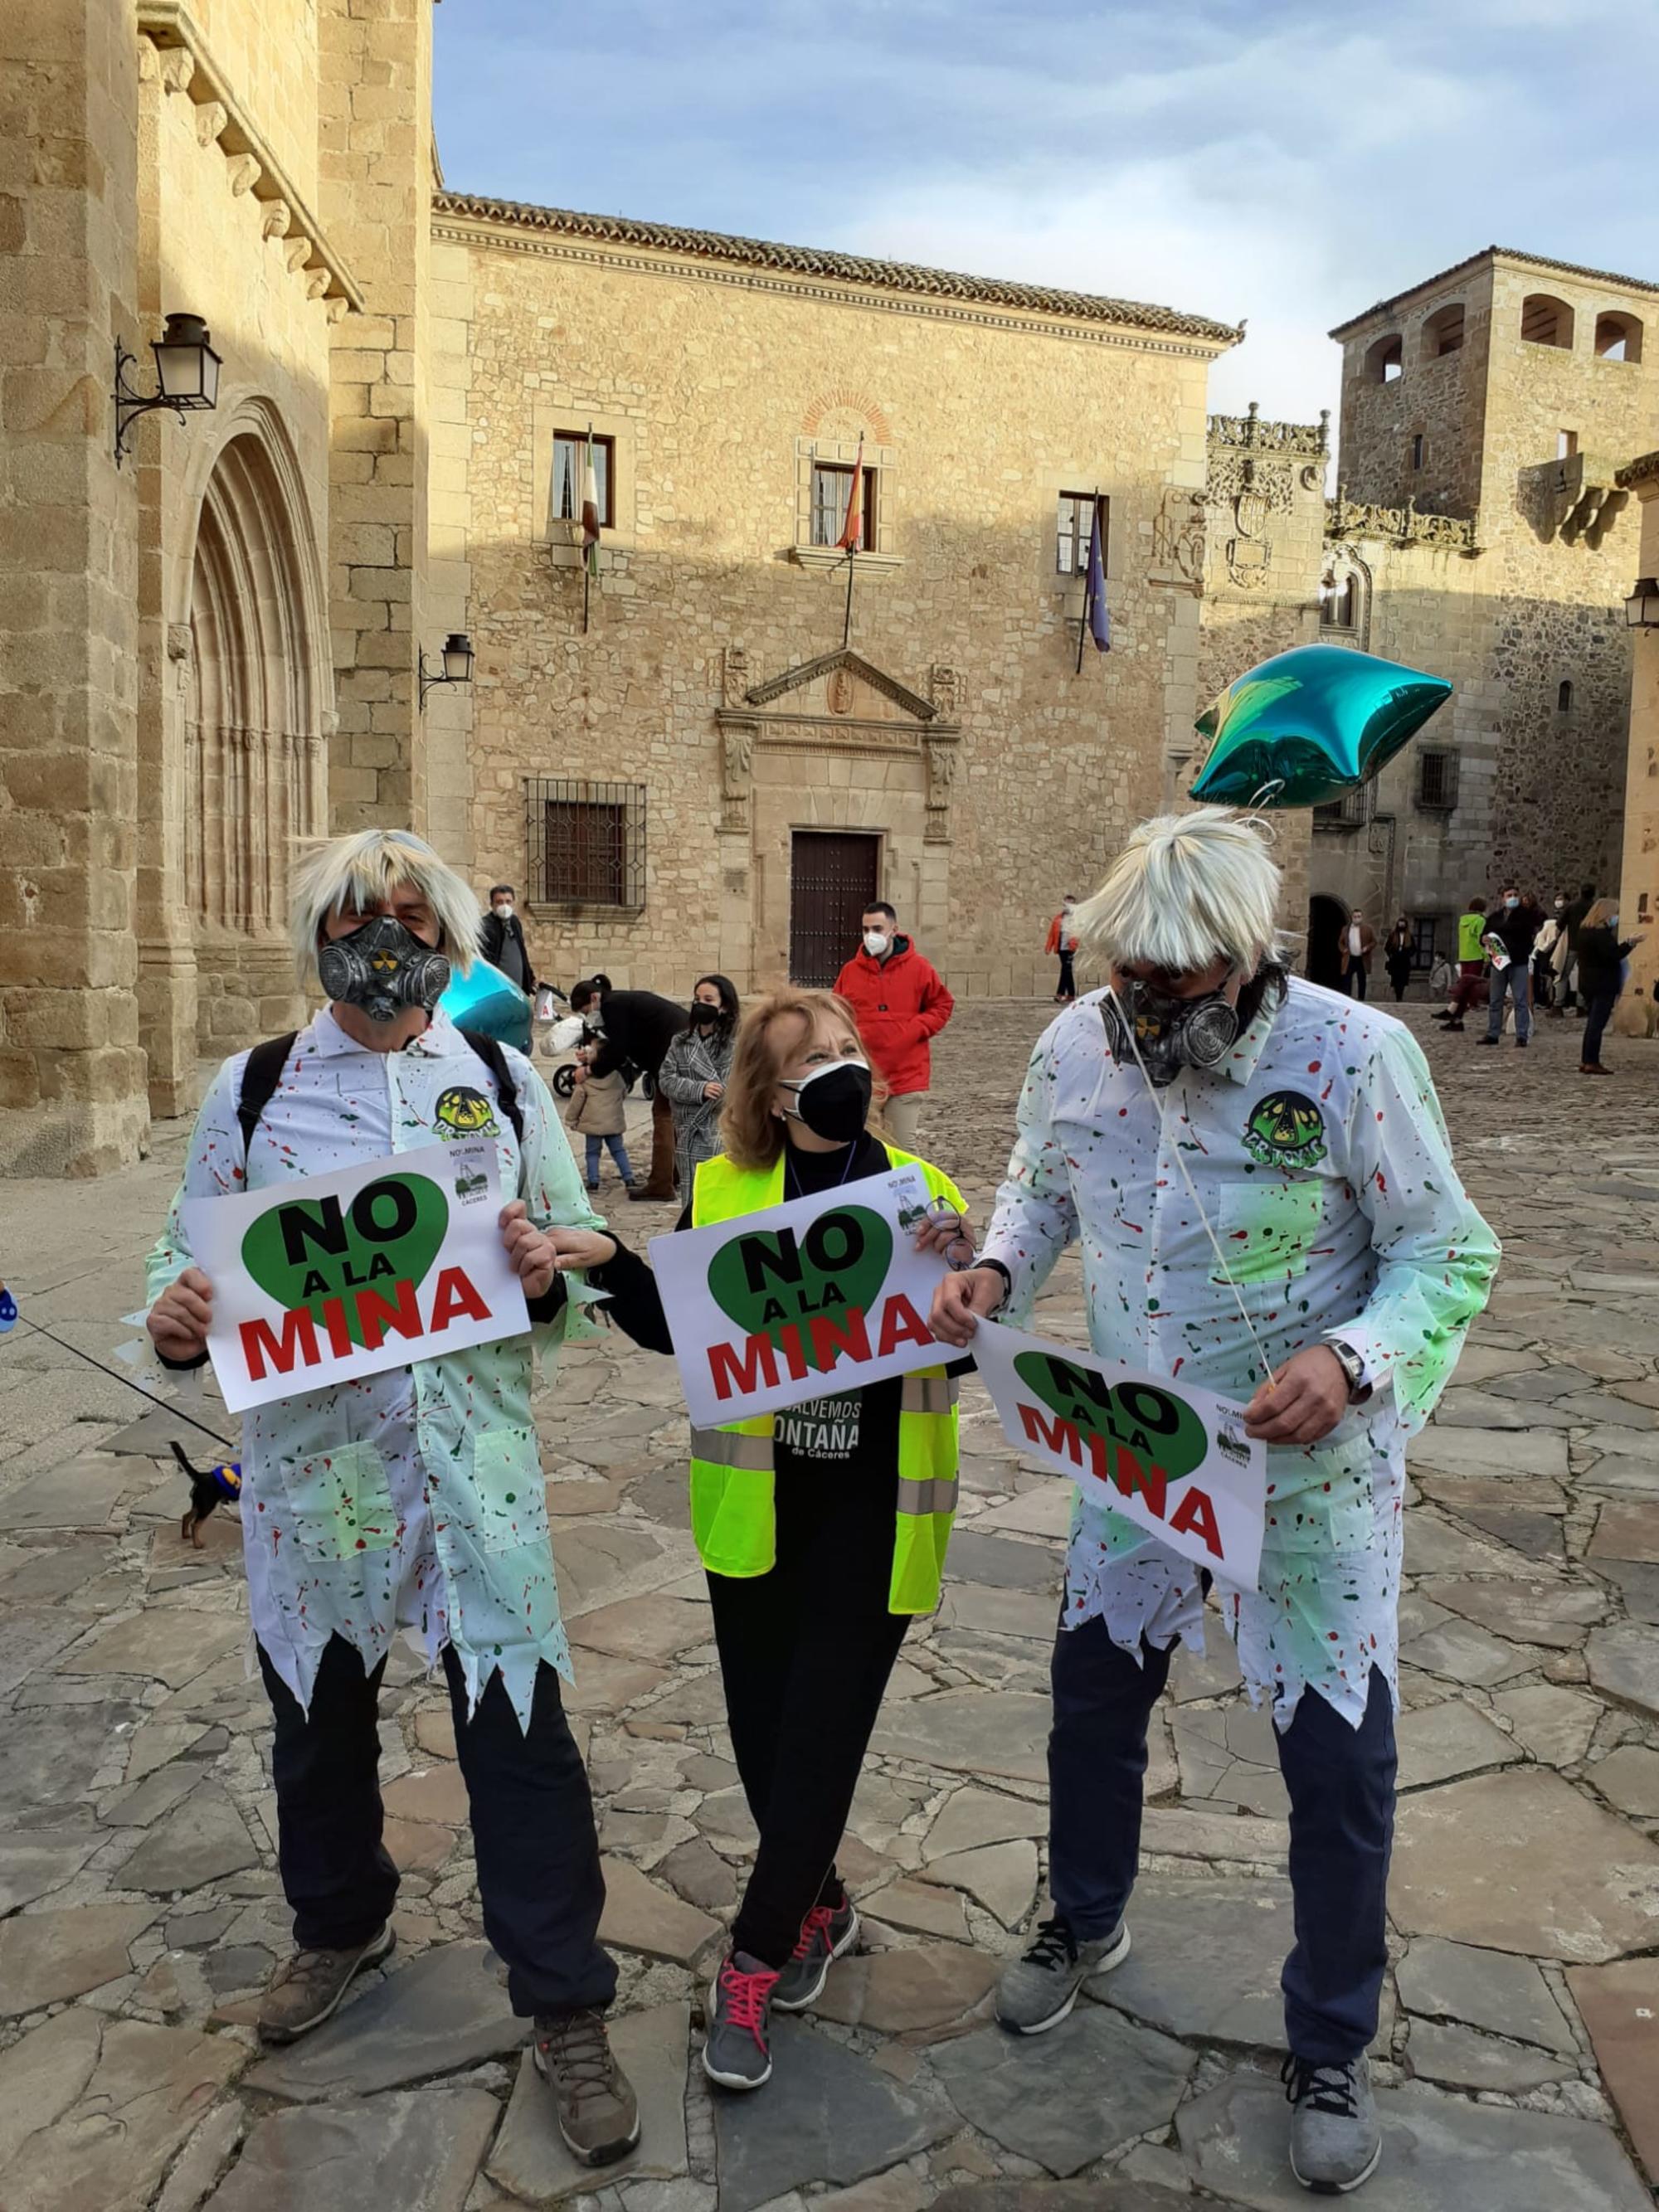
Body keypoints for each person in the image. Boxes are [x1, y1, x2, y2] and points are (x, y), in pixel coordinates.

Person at [931, 808, 1497, 2198]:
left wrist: (1354, 1357)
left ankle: (1330, 2037)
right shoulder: (1075, 1045)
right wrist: (1000, 1268)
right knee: (1091, 1699)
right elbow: (1036, 1180)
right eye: (1132, 973)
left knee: (1336, 1763)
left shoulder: (1360, 1057)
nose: (1150, 1002)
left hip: (1311, 1469)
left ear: (1247, 956)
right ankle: (1086, 1914)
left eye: (1181, 981)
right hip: (1141, 1448)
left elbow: (1446, 1248)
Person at [143, 829, 639, 2167]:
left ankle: (564, 1997)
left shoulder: (500, 1076)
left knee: (520, 1735)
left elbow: (567, 1262)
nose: (388, 936)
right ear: (318, 929)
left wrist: (546, 1271)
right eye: (362, 914)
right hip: (323, 1480)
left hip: (473, 1468)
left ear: (451, 936)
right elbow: (177, 1275)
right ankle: (340, 1923)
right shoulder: (250, 1094)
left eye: (414, 915)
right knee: (319, 1720)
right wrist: (180, 1320)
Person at [540, 989, 972, 2096]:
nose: (839, 1070)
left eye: (846, 1051)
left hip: (874, 1518)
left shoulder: (923, 1195)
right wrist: (605, 1259)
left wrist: (962, 1297)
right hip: (758, 1516)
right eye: (809, 1060)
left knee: (820, 1741)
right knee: (764, 1746)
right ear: (767, 1095)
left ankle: (755, 1956)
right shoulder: (724, 1187)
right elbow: (679, 1322)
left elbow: (965, 1346)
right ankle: (818, 1899)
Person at [834, 902, 955, 1154]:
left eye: (877, 928)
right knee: (866, 1147)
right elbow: (837, 1013)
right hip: (865, 1077)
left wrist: (916, 1028)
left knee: (903, 1148)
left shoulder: (919, 968)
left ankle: (914, 1193)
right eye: (866, 929)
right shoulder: (850, 971)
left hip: (907, 1076)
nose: (871, 936)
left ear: (894, 929)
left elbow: (942, 1005)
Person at [568, 977, 687, 1203]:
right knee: (674, 1117)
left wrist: (590, 1069)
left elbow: (619, 1050)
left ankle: (661, 1184)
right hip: (679, 1051)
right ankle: (675, 1174)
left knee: (663, 1117)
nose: (588, 1015)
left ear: (594, 998)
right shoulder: (621, 1002)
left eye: (586, 1010)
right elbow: (619, 1045)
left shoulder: (613, 1006)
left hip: (672, 1055)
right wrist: (594, 1053)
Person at [658, 974, 740, 1196]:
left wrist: (706, 1093)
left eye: (708, 1000)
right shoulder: (680, 1042)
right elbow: (666, 1080)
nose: (700, 1004)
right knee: (691, 1198)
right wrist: (699, 1090)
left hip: (717, 1134)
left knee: (715, 1197)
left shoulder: (735, 1046)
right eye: (697, 999)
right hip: (686, 1132)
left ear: (723, 1007)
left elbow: (727, 1090)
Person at [1576, 897, 1642, 1074]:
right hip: (1603, 983)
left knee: (1592, 1023)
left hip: (1588, 982)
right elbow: (1613, 955)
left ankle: (1587, 1059)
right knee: (1597, 1024)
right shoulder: (1601, 935)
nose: (1616, 917)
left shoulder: (1584, 932)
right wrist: (1630, 944)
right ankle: (1591, 1061)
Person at [563, 1052, 635, 1192]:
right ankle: (629, 1178)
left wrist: (571, 1120)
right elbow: (623, 1094)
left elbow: (576, 1102)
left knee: (592, 1153)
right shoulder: (617, 1077)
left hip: (593, 1125)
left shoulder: (585, 1081)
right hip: (613, 1123)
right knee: (619, 1151)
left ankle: (593, 1181)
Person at [1480, 886, 1538, 1048]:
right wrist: (1484, 939)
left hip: (1518, 962)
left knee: (1520, 1000)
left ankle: (1521, 1035)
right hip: (1499, 963)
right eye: (1509, 895)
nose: (1513, 897)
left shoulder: (1525, 916)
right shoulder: (1495, 918)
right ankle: (1493, 1033)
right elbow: (1485, 935)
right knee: (1495, 1000)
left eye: (1515, 895)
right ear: (1502, 898)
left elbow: (1524, 933)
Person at [479, 882, 536, 997]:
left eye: (508, 901)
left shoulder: (515, 922)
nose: (504, 906)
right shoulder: (486, 926)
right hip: (497, 991)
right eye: (499, 902)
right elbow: (484, 962)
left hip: (518, 989)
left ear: (513, 903)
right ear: (492, 904)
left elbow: (522, 953)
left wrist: (531, 979)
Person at [1555, 881, 1596, 1013]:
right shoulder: (1595, 907)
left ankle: (1558, 1004)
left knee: (1563, 974)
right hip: (1589, 946)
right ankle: (1581, 1005)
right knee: (1583, 976)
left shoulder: (1572, 906)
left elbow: (1559, 924)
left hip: (1572, 944)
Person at [1046, 897, 1080, 1004]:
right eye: (1066, 904)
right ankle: (1071, 994)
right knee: (1067, 970)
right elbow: (1052, 934)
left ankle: (1060, 993)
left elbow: (1079, 933)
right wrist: (1048, 947)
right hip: (1061, 948)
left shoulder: (1076, 919)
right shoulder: (1058, 919)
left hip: (1070, 948)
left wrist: (1076, 945)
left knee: (1065, 970)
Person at [1531, 902, 1563, 1011]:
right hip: (1545, 954)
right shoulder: (1551, 925)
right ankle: (1547, 1000)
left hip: (1541, 953)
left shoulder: (1548, 926)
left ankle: (1545, 1000)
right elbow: (1552, 940)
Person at [1341, 907, 1376, 999]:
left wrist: (1367, 948)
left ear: (1362, 917)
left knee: (1362, 979)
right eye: (1355, 916)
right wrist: (1343, 949)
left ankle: (1361, 998)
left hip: (1362, 958)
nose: (1357, 918)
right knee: (1347, 977)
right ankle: (1347, 997)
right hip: (1350, 957)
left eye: (1359, 916)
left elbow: (1373, 942)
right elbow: (1340, 942)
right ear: (1352, 917)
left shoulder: (1367, 929)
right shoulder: (1346, 929)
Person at [1383, 918, 1413, 1004]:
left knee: (1403, 980)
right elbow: (1387, 947)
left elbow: (1414, 948)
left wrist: (1409, 954)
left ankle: (1400, 996)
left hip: (1405, 961)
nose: (1401, 926)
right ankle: (1397, 996)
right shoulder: (1393, 935)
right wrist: (1391, 955)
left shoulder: (1409, 936)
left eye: (1403, 925)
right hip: (1395, 961)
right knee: (1396, 980)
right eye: (1400, 924)